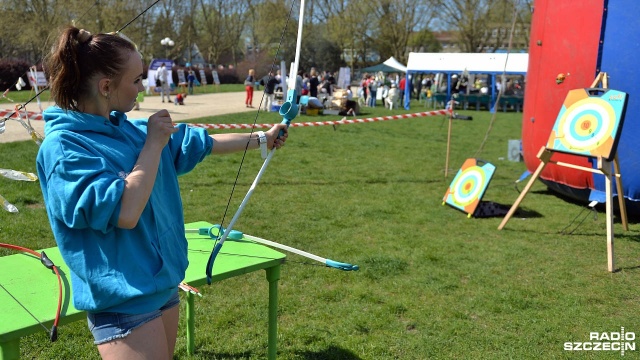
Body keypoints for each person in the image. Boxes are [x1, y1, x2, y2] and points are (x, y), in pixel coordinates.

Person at [37, 26, 288, 360]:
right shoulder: (65, 149)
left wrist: (261, 139)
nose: (143, 87)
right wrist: (154, 144)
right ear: (106, 86)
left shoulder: (128, 129)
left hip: (162, 285)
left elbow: (204, 142)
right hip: (123, 300)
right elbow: (125, 212)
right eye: (137, 79)